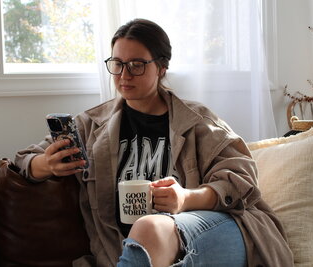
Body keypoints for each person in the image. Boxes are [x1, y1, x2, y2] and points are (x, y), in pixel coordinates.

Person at [15, 19, 293, 267]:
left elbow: (241, 180)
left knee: (150, 227)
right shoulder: (91, 125)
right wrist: (46, 164)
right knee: (146, 236)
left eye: (137, 65)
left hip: (208, 230)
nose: (124, 75)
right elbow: (23, 160)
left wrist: (184, 198)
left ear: (161, 67)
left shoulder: (197, 121)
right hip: (129, 250)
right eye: (117, 64)